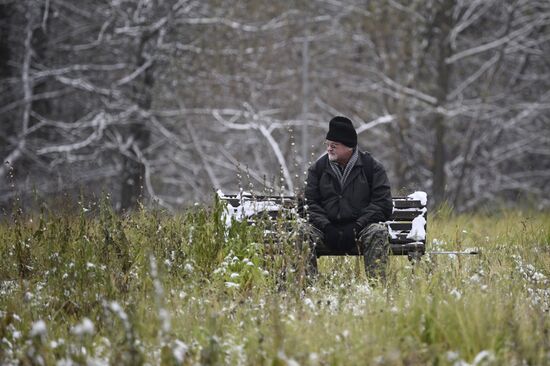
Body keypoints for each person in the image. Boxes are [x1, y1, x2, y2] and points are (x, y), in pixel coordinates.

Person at [302, 116, 393, 279]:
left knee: (378, 232)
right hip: (325, 230)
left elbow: (382, 205)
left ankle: (378, 289)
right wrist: (327, 227)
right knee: (301, 233)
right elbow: (309, 204)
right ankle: (307, 290)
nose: (329, 149)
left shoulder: (372, 168)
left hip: (361, 229)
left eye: (334, 145)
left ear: (349, 147)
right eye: (327, 144)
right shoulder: (318, 169)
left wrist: (357, 226)